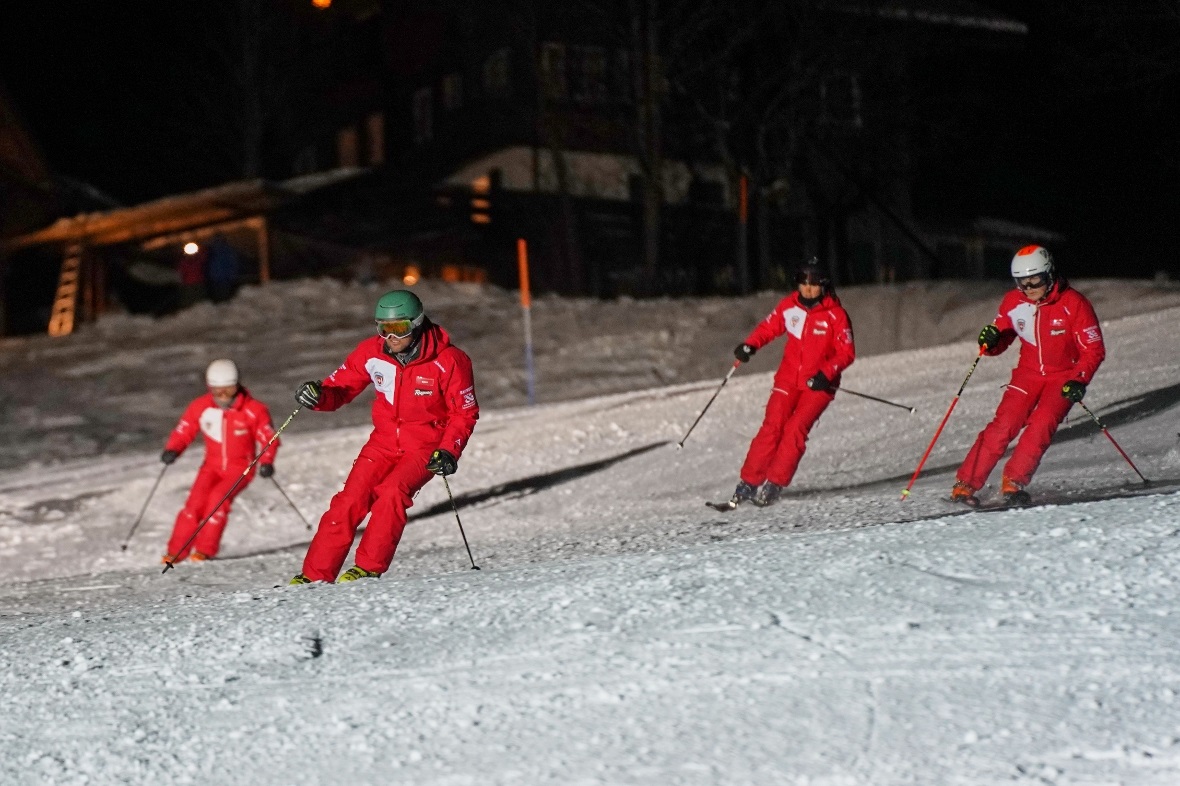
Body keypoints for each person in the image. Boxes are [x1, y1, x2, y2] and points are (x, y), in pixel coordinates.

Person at [288, 290, 479, 584]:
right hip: (384, 442)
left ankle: (368, 566)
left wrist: (449, 450)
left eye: (399, 328)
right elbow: (339, 389)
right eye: (383, 328)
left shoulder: (450, 360)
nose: (390, 337)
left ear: (416, 324)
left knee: (392, 492)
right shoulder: (371, 352)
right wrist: (318, 396)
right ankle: (314, 575)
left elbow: (463, 413)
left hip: (425, 445)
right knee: (348, 501)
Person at [951, 245, 1105, 506]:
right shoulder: (1014, 302)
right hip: (1027, 375)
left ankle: (1014, 481)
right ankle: (965, 484)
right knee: (1004, 425)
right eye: (1023, 283)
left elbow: (1093, 349)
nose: (1030, 288)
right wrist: (990, 341)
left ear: (1050, 274)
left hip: (1062, 377)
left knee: (1042, 424)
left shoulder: (1074, 304)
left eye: (1036, 280)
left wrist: (1078, 378)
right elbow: (999, 340)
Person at [725, 259, 856, 507]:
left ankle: (774, 483)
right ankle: (749, 483)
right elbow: (769, 327)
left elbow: (846, 352)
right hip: (787, 379)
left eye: (814, 283)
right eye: (803, 282)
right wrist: (749, 345)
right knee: (772, 426)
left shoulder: (835, 315)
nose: (807, 288)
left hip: (817, 385)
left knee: (795, 429)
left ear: (824, 285)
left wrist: (826, 374)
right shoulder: (790, 305)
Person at [161, 359, 279, 562]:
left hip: (240, 468)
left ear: (237, 386)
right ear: (210, 388)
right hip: (211, 466)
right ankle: (175, 552)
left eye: (229, 390)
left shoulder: (253, 410)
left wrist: (266, 461)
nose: (223, 396)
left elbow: (268, 438)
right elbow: (185, 429)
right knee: (194, 505)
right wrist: (174, 448)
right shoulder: (201, 407)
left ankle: (204, 550)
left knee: (217, 500)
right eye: (218, 391)